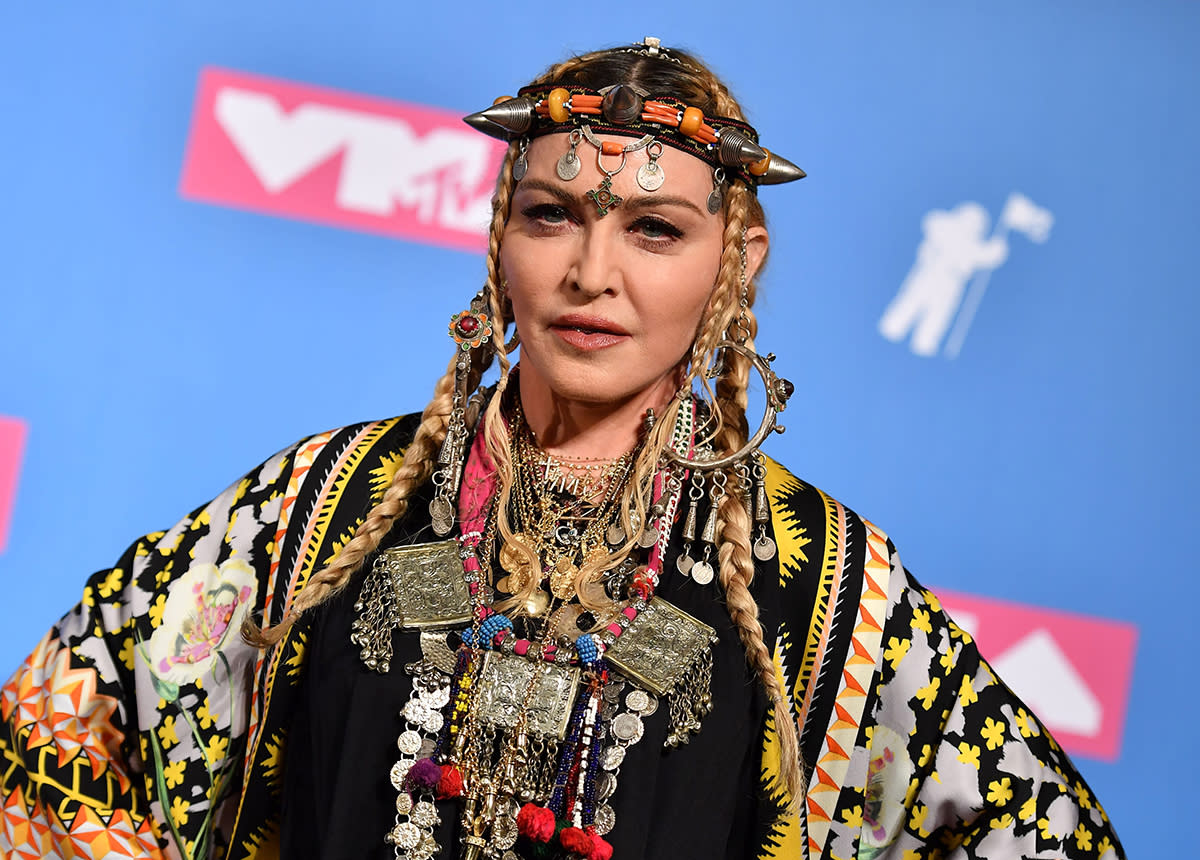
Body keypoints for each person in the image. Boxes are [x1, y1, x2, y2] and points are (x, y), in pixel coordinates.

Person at [0, 38, 1122, 860]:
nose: (594, 272)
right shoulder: (335, 502)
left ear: (736, 257)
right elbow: (56, 736)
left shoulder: (814, 583)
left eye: (654, 229)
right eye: (553, 214)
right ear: (500, 233)